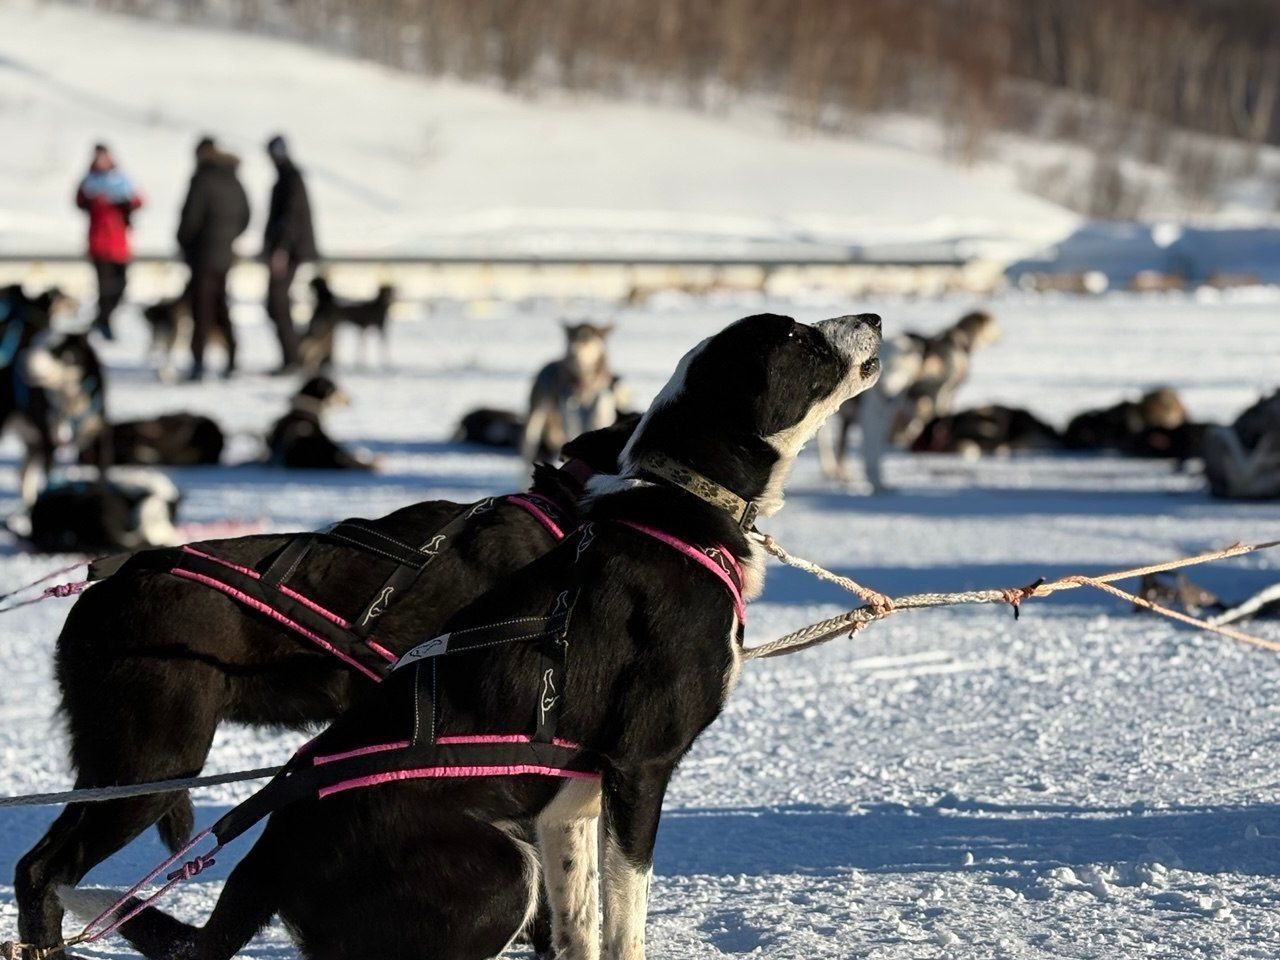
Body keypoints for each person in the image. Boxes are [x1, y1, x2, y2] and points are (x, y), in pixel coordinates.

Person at [176, 136, 251, 381]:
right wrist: (228, 239)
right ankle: (232, 358)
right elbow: (246, 216)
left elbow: (190, 219)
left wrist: (186, 242)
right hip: (225, 256)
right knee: (221, 308)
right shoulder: (233, 178)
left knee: (201, 311)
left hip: (202, 255)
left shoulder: (202, 179)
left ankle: (198, 362)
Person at [262, 134, 318, 374]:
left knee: (278, 303)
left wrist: (281, 249)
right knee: (276, 304)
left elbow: (291, 218)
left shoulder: (290, 179)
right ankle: (292, 356)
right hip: (287, 250)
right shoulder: (287, 178)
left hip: (289, 252)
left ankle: (293, 358)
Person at [75, 144, 142, 340]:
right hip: (99, 244)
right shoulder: (89, 184)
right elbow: (79, 202)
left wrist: (124, 201)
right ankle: (104, 324)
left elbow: (138, 201)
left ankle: (101, 320)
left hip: (119, 245)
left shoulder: (121, 181)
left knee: (121, 287)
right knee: (105, 287)